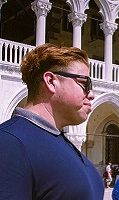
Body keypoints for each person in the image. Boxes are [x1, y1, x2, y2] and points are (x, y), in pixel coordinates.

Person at [0, 44, 104, 199]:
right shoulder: (9, 143)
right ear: (51, 81)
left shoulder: (63, 144)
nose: (91, 94)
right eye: (84, 84)